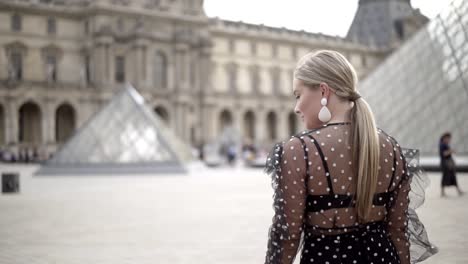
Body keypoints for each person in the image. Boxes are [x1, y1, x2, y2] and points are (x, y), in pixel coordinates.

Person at [264, 50, 437, 264]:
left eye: (298, 95)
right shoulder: (391, 148)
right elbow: (398, 231)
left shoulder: (299, 150)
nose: (296, 107)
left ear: (324, 91)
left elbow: (287, 236)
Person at [439, 132, 463, 197]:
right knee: (446, 176)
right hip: (445, 163)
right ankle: (443, 192)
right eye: (448, 138)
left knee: (452, 176)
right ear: (445, 138)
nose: (449, 140)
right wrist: (451, 151)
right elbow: (443, 154)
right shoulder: (442, 145)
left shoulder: (445, 144)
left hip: (447, 163)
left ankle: (458, 190)